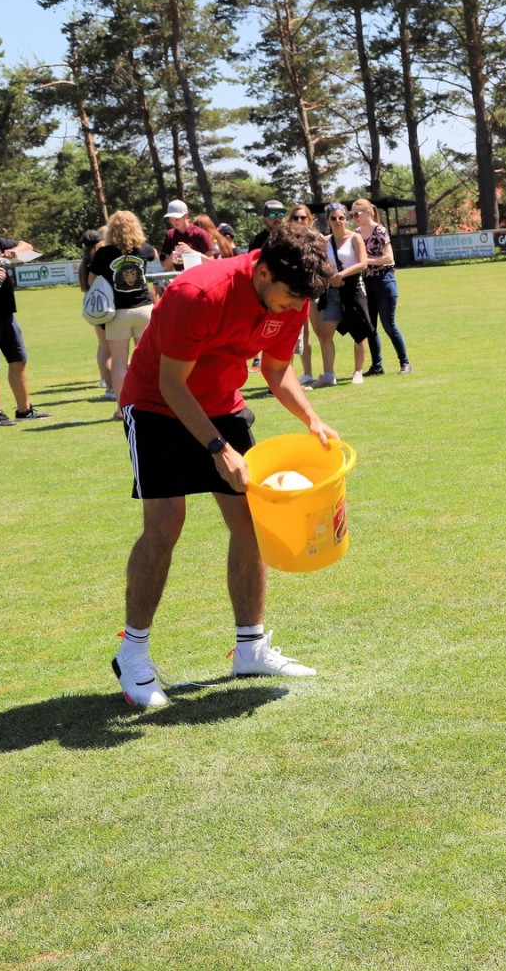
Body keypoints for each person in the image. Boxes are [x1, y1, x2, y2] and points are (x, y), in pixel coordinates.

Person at [112, 224, 336, 707]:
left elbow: (276, 369)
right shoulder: (199, 292)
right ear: (263, 271)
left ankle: (250, 647)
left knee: (252, 522)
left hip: (222, 403)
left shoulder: (294, 295)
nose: (295, 308)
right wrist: (219, 448)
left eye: (302, 301)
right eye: (290, 298)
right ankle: (132, 655)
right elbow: (172, 384)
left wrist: (312, 419)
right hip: (155, 404)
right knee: (165, 524)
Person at [0, 209, 47, 427]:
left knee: (19, 359)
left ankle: (24, 410)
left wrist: (14, 251)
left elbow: (27, 246)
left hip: (6, 315)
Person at [88, 210, 159, 415]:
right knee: (147, 360)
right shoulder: (144, 249)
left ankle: (122, 408)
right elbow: (155, 253)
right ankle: (151, 404)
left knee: (119, 362)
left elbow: (91, 281)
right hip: (144, 309)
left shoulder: (104, 253)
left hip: (117, 312)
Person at [308, 203, 371, 386]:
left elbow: (363, 264)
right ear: (328, 220)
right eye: (333, 218)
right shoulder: (325, 241)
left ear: (346, 219)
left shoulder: (355, 238)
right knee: (324, 333)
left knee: (359, 333)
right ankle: (329, 375)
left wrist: (342, 275)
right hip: (333, 291)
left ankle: (358, 371)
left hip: (353, 288)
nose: (338, 221)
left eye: (341, 217)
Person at [352, 198, 410, 374]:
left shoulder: (380, 231)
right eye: (352, 215)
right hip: (366, 283)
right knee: (371, 327)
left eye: (357, 213)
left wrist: (365, 261)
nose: (355, 217)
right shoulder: (356, 234)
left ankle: (405, 363)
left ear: (369, 212)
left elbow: (388, 258)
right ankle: (377, 366)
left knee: (389, 325)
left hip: (384, 281)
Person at [287, 204, 322, 385]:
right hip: (293, 291)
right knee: (293, 333)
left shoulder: (316, 238)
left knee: (314, 332)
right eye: (296, 217)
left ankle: (310, 373)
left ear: (309, 219)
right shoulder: (286, 238)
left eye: (303, 217)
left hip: (312, 290)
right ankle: (291, 375)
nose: (300, 221)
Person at [80, 228, 114, 398]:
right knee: (110, 349)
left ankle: (107, 384)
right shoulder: (102, 258)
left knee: (103, 347)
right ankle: (112, 387)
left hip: (93, 307)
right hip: (106, 305)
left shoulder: (85, 261)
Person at [157, 200, 215, 271]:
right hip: (179, 276)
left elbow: (211, 261)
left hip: (198, 275)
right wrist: (172, 258)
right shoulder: (170, 235)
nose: (174, 222)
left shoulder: (200, 234)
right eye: (171, 219)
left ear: (186, 215)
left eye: (177, 219)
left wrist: (191, 252)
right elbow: (165, 267)